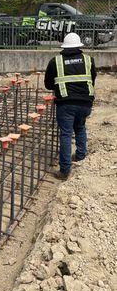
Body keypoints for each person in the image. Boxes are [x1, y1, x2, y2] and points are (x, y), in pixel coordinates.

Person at [44, 32, 97, 180]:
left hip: (66, 104)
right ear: (79, 46)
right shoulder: (88, 60)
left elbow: (48, 84)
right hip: (85, 103)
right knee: (80, 127)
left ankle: (65, 170)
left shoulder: (56, 61)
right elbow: (92, 79)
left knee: (66, 134)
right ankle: (80, 155)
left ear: (64, 47)